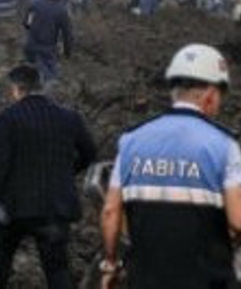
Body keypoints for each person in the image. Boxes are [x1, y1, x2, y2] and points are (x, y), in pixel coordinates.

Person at [99, 44, 241, 288]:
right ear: (209, 94)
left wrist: (111, 264)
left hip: (144, 280)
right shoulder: (224, 145)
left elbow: (111, 212)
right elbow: (237, 221)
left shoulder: (131, 140)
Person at [0, 64, 96, 289]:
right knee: (57, 271)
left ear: (16, 89)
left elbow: (1, 164)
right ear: (40, 86)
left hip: (15, 208)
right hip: (55, 207)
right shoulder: (70, 117)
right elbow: (90, 153)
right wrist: (67, 171)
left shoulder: (10, 117)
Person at [23, 0, 74, 83]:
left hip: (30, 46)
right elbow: (67, 34)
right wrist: (67, 52)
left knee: (32, 75)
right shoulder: (61, 11)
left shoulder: (34, 5)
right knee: (50, 78)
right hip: (47, 49)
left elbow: (26, 24)